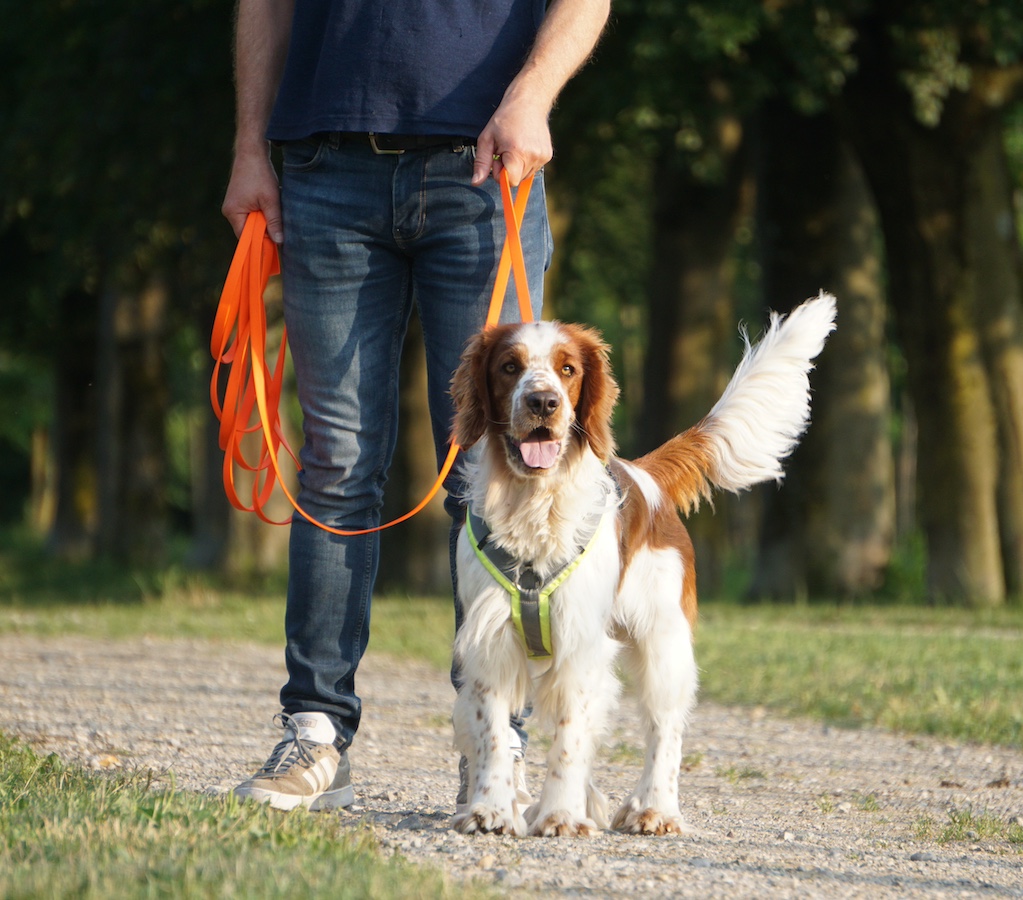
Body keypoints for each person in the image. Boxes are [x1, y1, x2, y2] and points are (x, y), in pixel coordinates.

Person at [221, 0, 610, 812]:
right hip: (323, 167)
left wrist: (533, 92)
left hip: (483, 159)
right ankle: (317, 733)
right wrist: (248, 143)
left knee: (492, 468)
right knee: (334, 461)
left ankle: (493, 746)